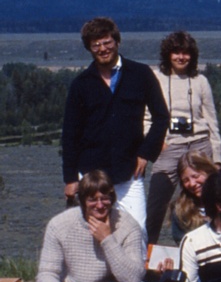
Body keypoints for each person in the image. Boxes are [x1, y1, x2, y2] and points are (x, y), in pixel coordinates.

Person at [61, 17, 169, 230]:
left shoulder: (141, 74)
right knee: (91, 234)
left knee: (137, 232)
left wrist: (146, 153)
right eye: (96, 45)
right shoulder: (81, 84)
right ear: (89, 49)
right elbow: (70, 134)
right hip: (90, 174)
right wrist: (70, 178)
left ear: (117, 42)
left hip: (129, 174)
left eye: (107, 42)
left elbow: (162, 117)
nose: (103, 49)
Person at [19, 170, 147, 282]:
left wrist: (107, 240)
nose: (100, 205)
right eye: (93, 200)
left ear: (112, 198)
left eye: (105, 199)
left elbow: (133, 279)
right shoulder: (59, 224)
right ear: (83, 201)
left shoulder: (128, 225)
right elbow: (48, 272)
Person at [146, 30, 221, 243]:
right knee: (155, 207)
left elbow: (212, 120)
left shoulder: (200, 81)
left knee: (208, 202)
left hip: (199, 143)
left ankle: (215, 246)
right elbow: (145, 116)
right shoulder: (155, 79)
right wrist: (154, 142)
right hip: (169, 145)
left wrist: (216, 158)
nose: (181, 57)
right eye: (176, 52)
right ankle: (149, 259)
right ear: (167, 54)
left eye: (186, 53)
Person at [169, 153, 217, 243]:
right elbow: (182, 244)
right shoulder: (181, 211)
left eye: (195, 176)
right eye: (186, 180)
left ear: (209, 172)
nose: (192, 184)